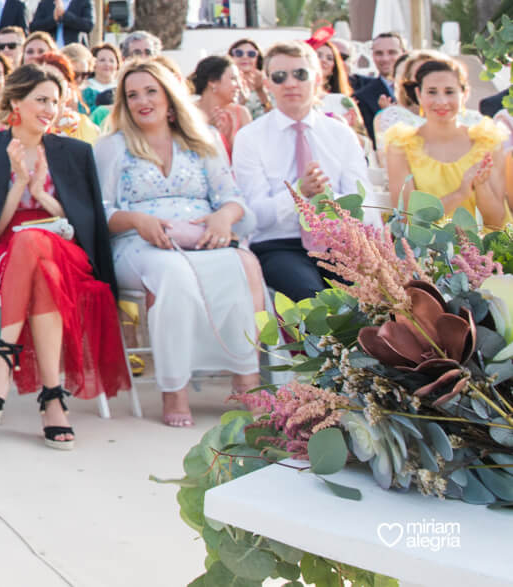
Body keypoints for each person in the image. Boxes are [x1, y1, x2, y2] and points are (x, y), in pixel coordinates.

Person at [0, 64, 128, 450]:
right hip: (7, 249)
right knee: (32, 254)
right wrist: (18, 184)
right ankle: (53, 398)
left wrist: (40, 194)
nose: (49, 109)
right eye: (41, 100)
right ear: (17, 103)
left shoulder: (73, 152)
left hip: (64, 247)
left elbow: (82, 222)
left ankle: (3, 361)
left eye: (55, 102)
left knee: (35, 242)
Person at [95, 60, 262, 426]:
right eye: (132, 94)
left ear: (170, 98)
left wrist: (223, 217)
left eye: (151, 91)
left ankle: (247, 381)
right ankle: (175, 390)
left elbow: (234, 199)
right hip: (137, 245)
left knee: (242, 265)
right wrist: (138, 221)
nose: (143, 101)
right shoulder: (113, 147)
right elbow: (98, 213)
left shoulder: (204, 141)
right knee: (171, 275)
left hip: (201, 237)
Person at [231, 42, 372, 302]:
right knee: (313, 300)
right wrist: (298, 194)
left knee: (367, 300)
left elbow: (363, 202)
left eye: (300, 74)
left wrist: (327, 202)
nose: (290, 83)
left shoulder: (341, 135)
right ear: (268, 83)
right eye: (279, 77)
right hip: (279, 245)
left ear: (317, 78)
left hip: (339, 243)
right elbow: (254, 216)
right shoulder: (250, 137)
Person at [381, 57, 509, 229]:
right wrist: (461, 193)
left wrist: (481, 186)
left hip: (483, 249)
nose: (441, 101)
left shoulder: (488, 141)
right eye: (432, 92)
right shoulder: (401, 145)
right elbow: (407, 220)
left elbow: (496, 222)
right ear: (419, 94)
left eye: (449, 92)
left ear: (464, 93)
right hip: (426, 250)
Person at [191, 56, 252, 159]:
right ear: (212, 82)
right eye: (233, 79)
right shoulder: (188, 112)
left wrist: (229, 140)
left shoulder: (241, 113)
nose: (239, 86)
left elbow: (250, 157)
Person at [354, 31, 407, 140]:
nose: (385, 59)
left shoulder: (421, 88)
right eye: (379, 53)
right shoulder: (363, 96)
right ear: (372, 56)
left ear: (403, 54)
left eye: (392, 52)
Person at [228, 37, 271, 118]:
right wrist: (241, 102)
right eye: (239, 53)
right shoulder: (225, 86)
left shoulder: (270, 85)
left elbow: (272, 114)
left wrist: (261, 91)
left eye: (251, 54)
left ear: (257, 59)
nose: (245, 57)